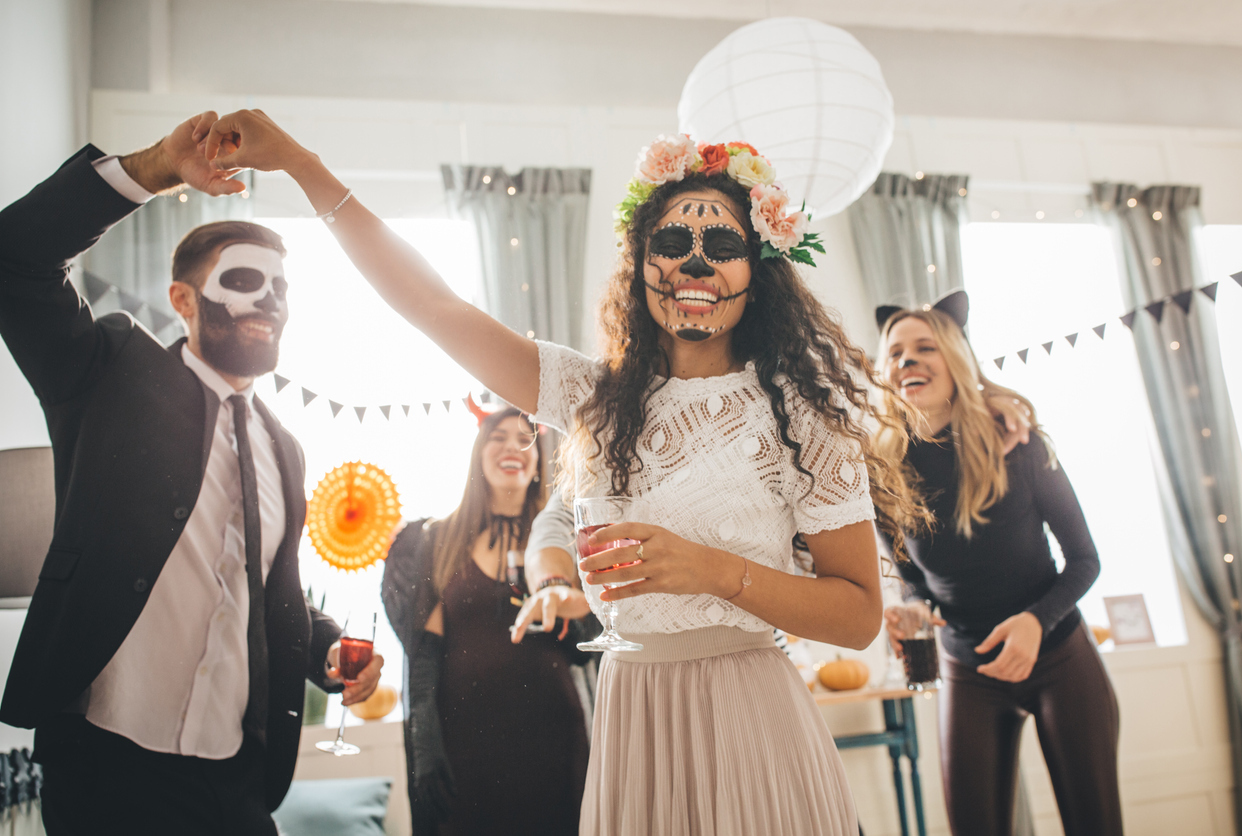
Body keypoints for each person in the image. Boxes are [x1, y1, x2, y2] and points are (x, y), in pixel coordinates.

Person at [199, 114, 931, 834]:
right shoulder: (593, 399)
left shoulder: (802, 420)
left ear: (758, 268)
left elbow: (859, 613)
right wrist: (301, 163)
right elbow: (429, 304)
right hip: (633, 719)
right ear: (642, 263)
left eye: (723, 244)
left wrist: (711, 569)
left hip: (750, 714)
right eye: (672, 242)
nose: (696, 265)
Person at [0, 113, 382, 835]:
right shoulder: (107, 377)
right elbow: (15, 257)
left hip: (235, 782)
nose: (269, 301)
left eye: (281, 289)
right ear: (184, 301)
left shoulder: (285, 448)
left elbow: (266, 590)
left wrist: (327, 647)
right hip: (107, 774)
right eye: (243, 280)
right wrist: (151, 169)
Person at [876, 292, 1122, 836]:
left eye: (924, 348)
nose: (907, 361)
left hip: (1060, 657)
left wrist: (1036, 621)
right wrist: (912, 610)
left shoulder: (1021, 445)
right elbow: (915, 581)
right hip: (968, 668)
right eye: (895, 353)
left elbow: (1085, 559)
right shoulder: (884, 474)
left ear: (957, 359)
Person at [381, 405, 596, 836]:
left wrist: (574, 606)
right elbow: (424, 656)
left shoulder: (562, 540)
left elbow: (585, 642)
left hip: (553, 736)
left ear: (539, 462)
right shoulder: (437, 539)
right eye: (498, 438)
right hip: (466, 740)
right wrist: (424, 741)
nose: (512, 447)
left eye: (524, 439)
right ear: (479, 453)